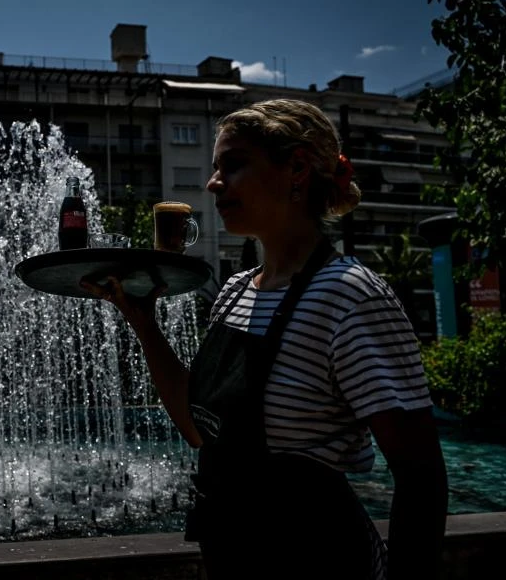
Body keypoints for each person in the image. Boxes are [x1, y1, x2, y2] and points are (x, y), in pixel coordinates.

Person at [82, 99, 448, 579]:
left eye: (232, 165)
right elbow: (200, 431)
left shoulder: (349, 296)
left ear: (296, 169)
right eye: (215, 169)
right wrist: (142, 321)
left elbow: (420, 477)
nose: (213, 183)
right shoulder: (235, 292)